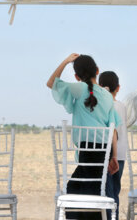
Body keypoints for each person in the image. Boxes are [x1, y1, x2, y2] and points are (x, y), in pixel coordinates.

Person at [47, 53, 121, 219]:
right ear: (97, 70)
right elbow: (112, 129)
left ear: (76, 76)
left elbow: (51, 83)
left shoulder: (78, 88)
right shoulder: (108, 96)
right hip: (104, 153)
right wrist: (114, 157)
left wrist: (66, 61)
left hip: (87, 155)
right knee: (90, 192)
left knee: (76, 193)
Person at [99, 71, 128, 220]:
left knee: (107, 192)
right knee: (115, 191)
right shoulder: (122, 106)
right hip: (122, 154)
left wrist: (112, 155)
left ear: (99, 86)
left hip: (111, 155)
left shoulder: (106, 106)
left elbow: (113, 133)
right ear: (118, 87)